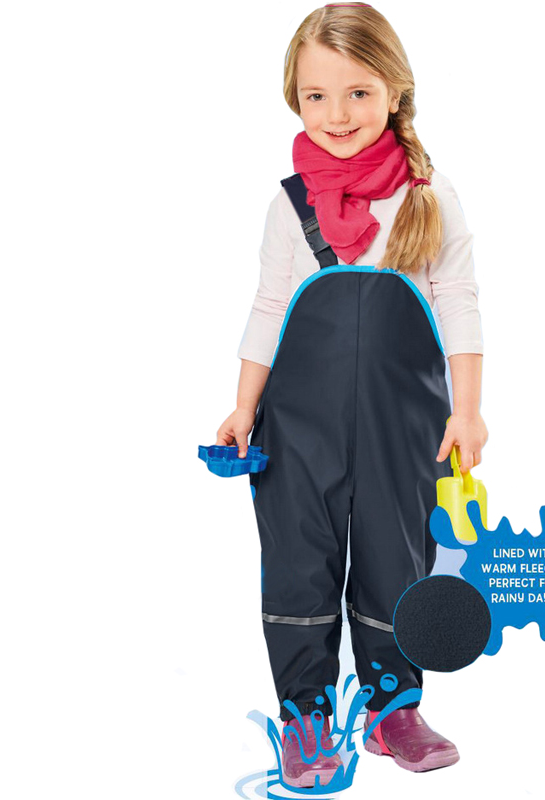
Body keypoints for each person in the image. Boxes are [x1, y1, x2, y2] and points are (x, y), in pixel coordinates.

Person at [216, 2, 487, 786]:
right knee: (299, 564)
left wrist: (467, 410)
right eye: (316, 96)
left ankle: (394, 707)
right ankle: (305, 714)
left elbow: (460, 301)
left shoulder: (429, 196)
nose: (337, 115)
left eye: (358, 93)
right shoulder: (289, 206)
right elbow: (269, 307)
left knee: (396, 558)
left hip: (405, 427)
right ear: (295, 100)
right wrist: (243, 406)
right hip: (296, 428)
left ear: (395, 92)